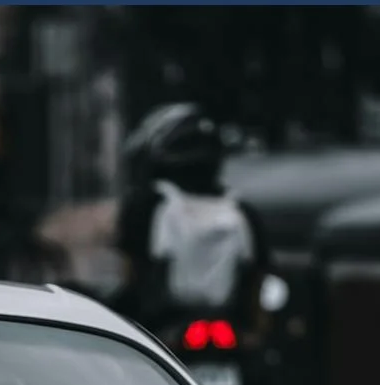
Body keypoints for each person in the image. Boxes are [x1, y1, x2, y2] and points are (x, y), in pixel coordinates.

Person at [113, 102, 268, 333]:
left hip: (159, 331)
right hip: (229, 329)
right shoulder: (243, 212)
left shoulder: (148, 207)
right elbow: (258, 283)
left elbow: (131, 276)